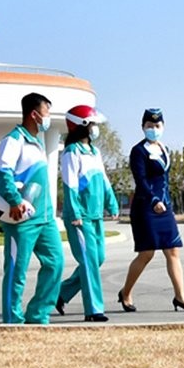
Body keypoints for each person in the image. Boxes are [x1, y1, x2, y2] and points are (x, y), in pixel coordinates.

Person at [0, 92, 64, 324]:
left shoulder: (38, 142)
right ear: (34, 114)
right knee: (17, 271)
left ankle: (38, 314)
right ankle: (13, 320)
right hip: (21, 219)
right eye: (47, 112)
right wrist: (14, 201)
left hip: (45, 218)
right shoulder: (14, 140)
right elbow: (3, 175)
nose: (48, 117)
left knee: (55, 263)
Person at [118, 108, 184, 312]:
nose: (153, 129)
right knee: (146, 254)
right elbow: (140, 180)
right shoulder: (139, 151)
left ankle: (180, 297)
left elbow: (165, 179)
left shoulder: (164, 148)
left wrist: (166, 201)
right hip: (146, 207)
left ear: (163, 127)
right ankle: (126, 293)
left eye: (157, 125)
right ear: (143, 127)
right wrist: (153, 200)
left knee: (172, 251)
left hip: (165, 206)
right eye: (149, 126)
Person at [55, 105, 119, 322]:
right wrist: (74, 213)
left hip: (95, 215)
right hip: (79, 217)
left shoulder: (94, 152)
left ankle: (60, 294)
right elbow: (70, 185)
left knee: (97, 258)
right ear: (80, 126)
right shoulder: (71, 153)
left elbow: (103, 179)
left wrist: (112, 202)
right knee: (89, 261)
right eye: (92, 124)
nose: (95, 128)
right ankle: (93, 310)